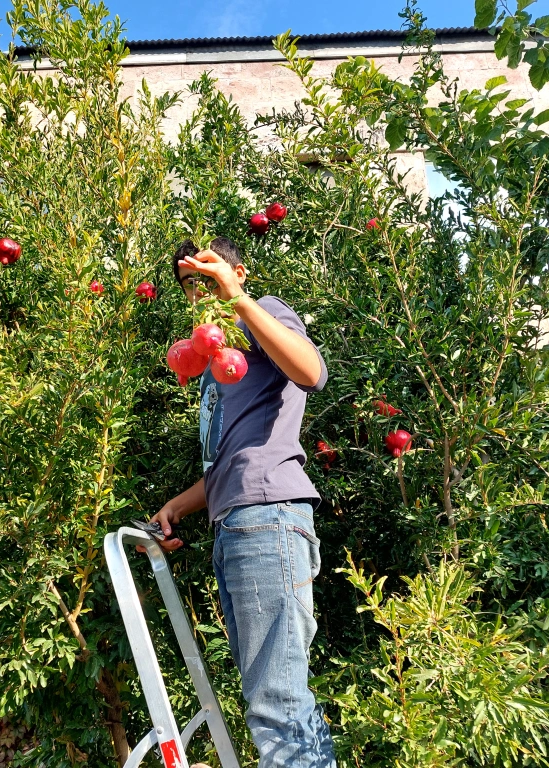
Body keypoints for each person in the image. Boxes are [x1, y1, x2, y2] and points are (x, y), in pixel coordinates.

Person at [147, 236, 336, 768]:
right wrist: (179, 505)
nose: (200, 289)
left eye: (210, 274)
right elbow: (231, 456)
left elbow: (311, 372)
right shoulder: (214, 354)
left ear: (238, 273)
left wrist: (238, 301)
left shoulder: (262, 315)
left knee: (276, 702)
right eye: (190, 283)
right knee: (276, 693)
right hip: (240, 520)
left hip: (267, 517)